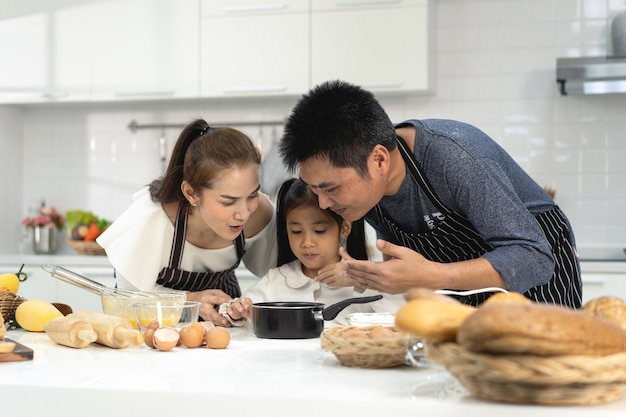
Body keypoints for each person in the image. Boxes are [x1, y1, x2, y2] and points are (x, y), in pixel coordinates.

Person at [278, 80, 582, 308]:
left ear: (379, 160)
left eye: (330, 188)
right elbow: (406, 255)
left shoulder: (456, 158)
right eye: (315, 190)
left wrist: (435, 276)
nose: (324, 203)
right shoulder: (365, 191)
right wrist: (381, 275)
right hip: (462, 286)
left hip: (537, 268)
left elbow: (535, 256)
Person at [97, 119, 277, 326]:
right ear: (191, 193)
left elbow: (282, 275)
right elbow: (126, 302)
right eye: (229, 201)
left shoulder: (259, 213)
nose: (244, 213)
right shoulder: (151, 220)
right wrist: (189, 301)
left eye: (252, 195)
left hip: (225, 326)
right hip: (156, 332)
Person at [223, 178, 403, 325]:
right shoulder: (277, 280)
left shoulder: (364, 281)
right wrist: (237, 312)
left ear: (344, 228)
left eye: (319, 231)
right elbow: (235, 313)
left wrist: (363, 281)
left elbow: (398, 315)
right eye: (296, 232)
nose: (307, 243)